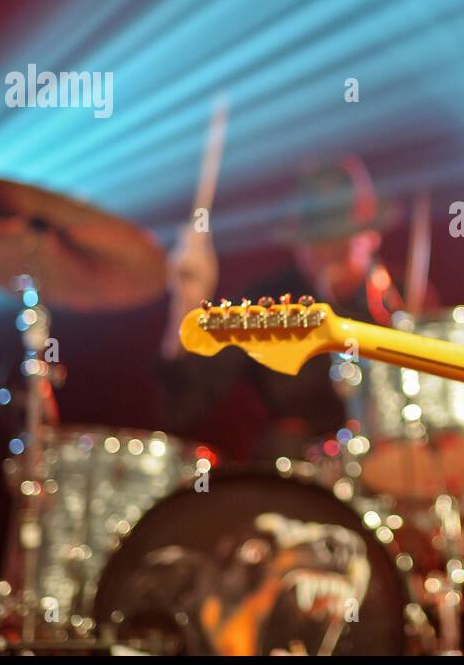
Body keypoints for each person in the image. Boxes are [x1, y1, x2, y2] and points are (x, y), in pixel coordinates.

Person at [156, 155, 404, 463]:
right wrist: (186, 304)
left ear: (370, 237)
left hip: (386, 473)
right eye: (316, 240)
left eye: (340, 240)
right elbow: (182, 409)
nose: (327, 251)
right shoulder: (266, 303)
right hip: (292, 474)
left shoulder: (400, 301)